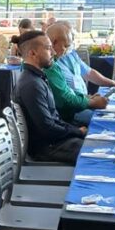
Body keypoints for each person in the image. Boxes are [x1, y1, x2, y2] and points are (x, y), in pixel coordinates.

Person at [14, 30, 86, 164]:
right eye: (48, 48)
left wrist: (76, 130)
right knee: (95, 152)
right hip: (48, 148)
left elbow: (53, 120)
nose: (53, 52)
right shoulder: (32, 84)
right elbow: (47, 128)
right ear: (32, 53)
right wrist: (77, 132)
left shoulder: (36, 78)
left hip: (53, 142)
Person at [43, 23, 109, 126]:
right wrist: (91, 102)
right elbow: (65, 101)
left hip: (75, 106)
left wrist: (87, 98)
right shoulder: (49, 66)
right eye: (65, 46)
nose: (66, 50)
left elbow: (68, 91)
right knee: (105, 121)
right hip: (67, 116)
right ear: (54, 42)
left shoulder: (56, 61)